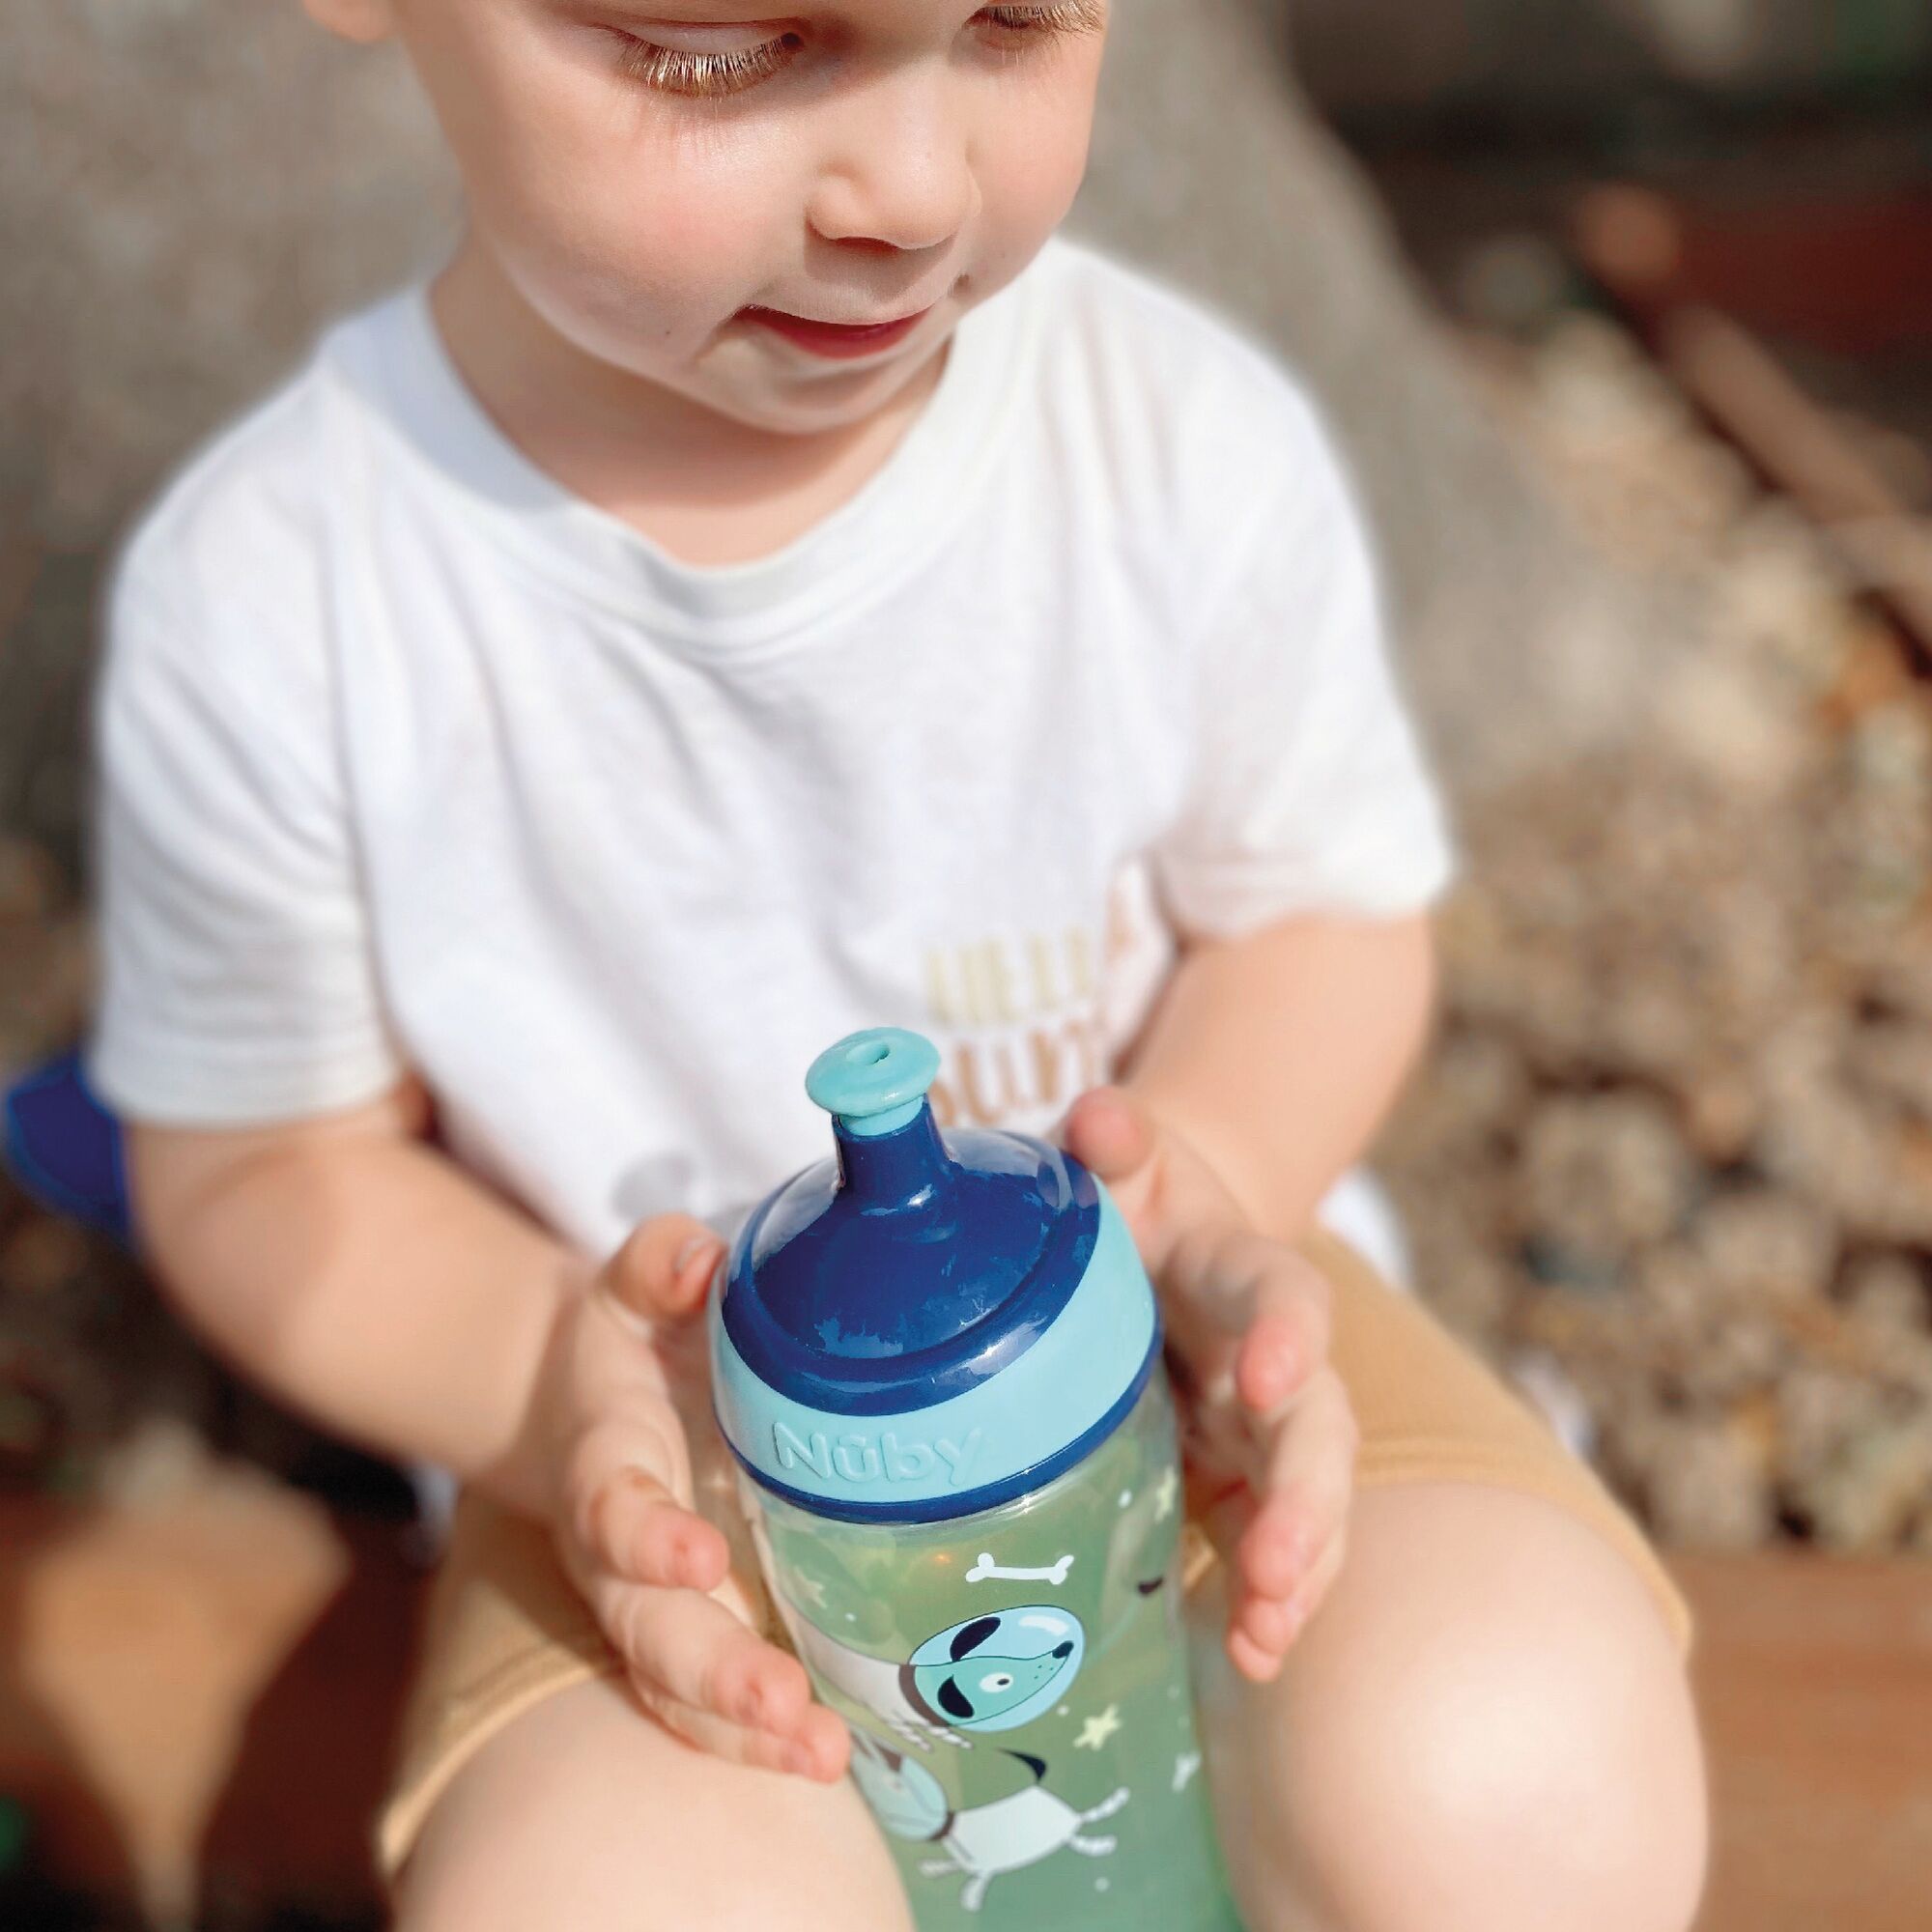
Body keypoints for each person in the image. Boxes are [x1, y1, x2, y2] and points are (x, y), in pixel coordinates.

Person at [84, 2, 1708, 1926]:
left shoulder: (1164, 435)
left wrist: (1207, 1175)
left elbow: (1318, 915)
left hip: (1172, 1371)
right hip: (660, 1480)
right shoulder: (280, 592)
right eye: (717, 51)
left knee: (1502, 1754)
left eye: (1014, 21)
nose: (916, 190)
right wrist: (551, 1381)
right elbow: (264, 1169)